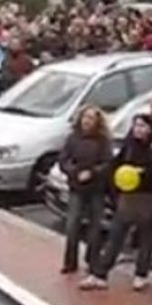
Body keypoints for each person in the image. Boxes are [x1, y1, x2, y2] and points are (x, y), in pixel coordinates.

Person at [80, 114, 152, 291]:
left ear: (150, 129)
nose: (138, 130)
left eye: (142, 126)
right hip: (127, 196)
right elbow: (115, 164)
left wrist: (145, 166)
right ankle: (100, 274)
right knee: (116, 235)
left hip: (147, 196)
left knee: (146, 238)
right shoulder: (129, 146)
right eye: (136, 126)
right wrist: (99, 175)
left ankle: (141, 274)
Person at [59, 105, 112, 275]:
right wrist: (73, 172)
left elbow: (107, 163)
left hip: (96, 188)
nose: (87, 121)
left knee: (95, 227)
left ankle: (92, 260)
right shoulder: (72, 138)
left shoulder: (103, 141)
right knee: (72, 225)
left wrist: (93, 172)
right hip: (76, 187)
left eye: (91, 118)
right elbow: (63, 161)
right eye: (85, 117)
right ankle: (70, 262)